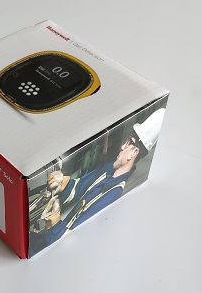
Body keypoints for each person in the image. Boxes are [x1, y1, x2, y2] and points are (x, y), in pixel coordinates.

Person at [29, 108, 166, 255]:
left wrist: (54, 224)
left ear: (133, 153)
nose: (122, 147)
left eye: (128, 142)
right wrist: (62, 183)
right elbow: (79, 186)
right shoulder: (110, 170)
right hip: (48, 238)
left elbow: (77, 238)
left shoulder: (113, 195)